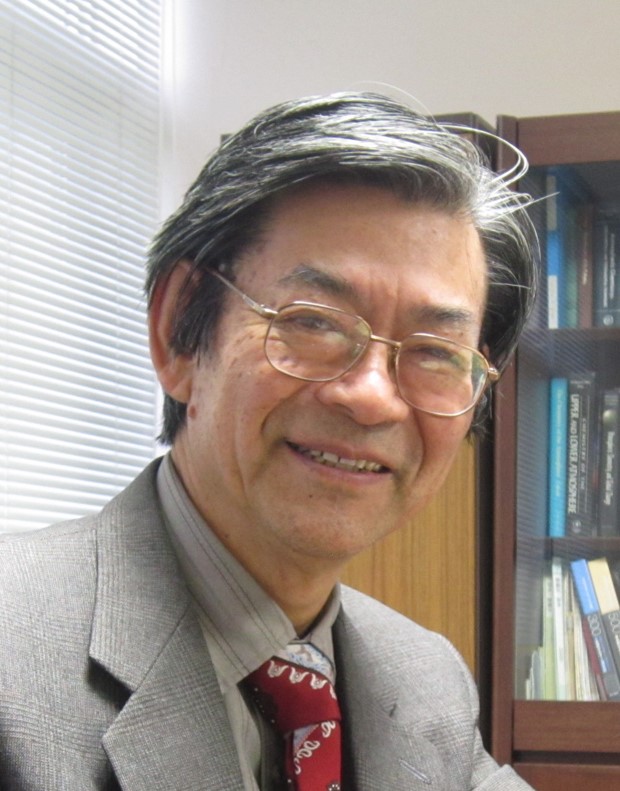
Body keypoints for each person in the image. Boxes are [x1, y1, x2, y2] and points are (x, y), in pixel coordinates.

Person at [0, 92, 538, 790]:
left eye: (436, 352)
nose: (372, 396)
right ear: (178, 333)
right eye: (315, 322)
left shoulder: (424, 678)